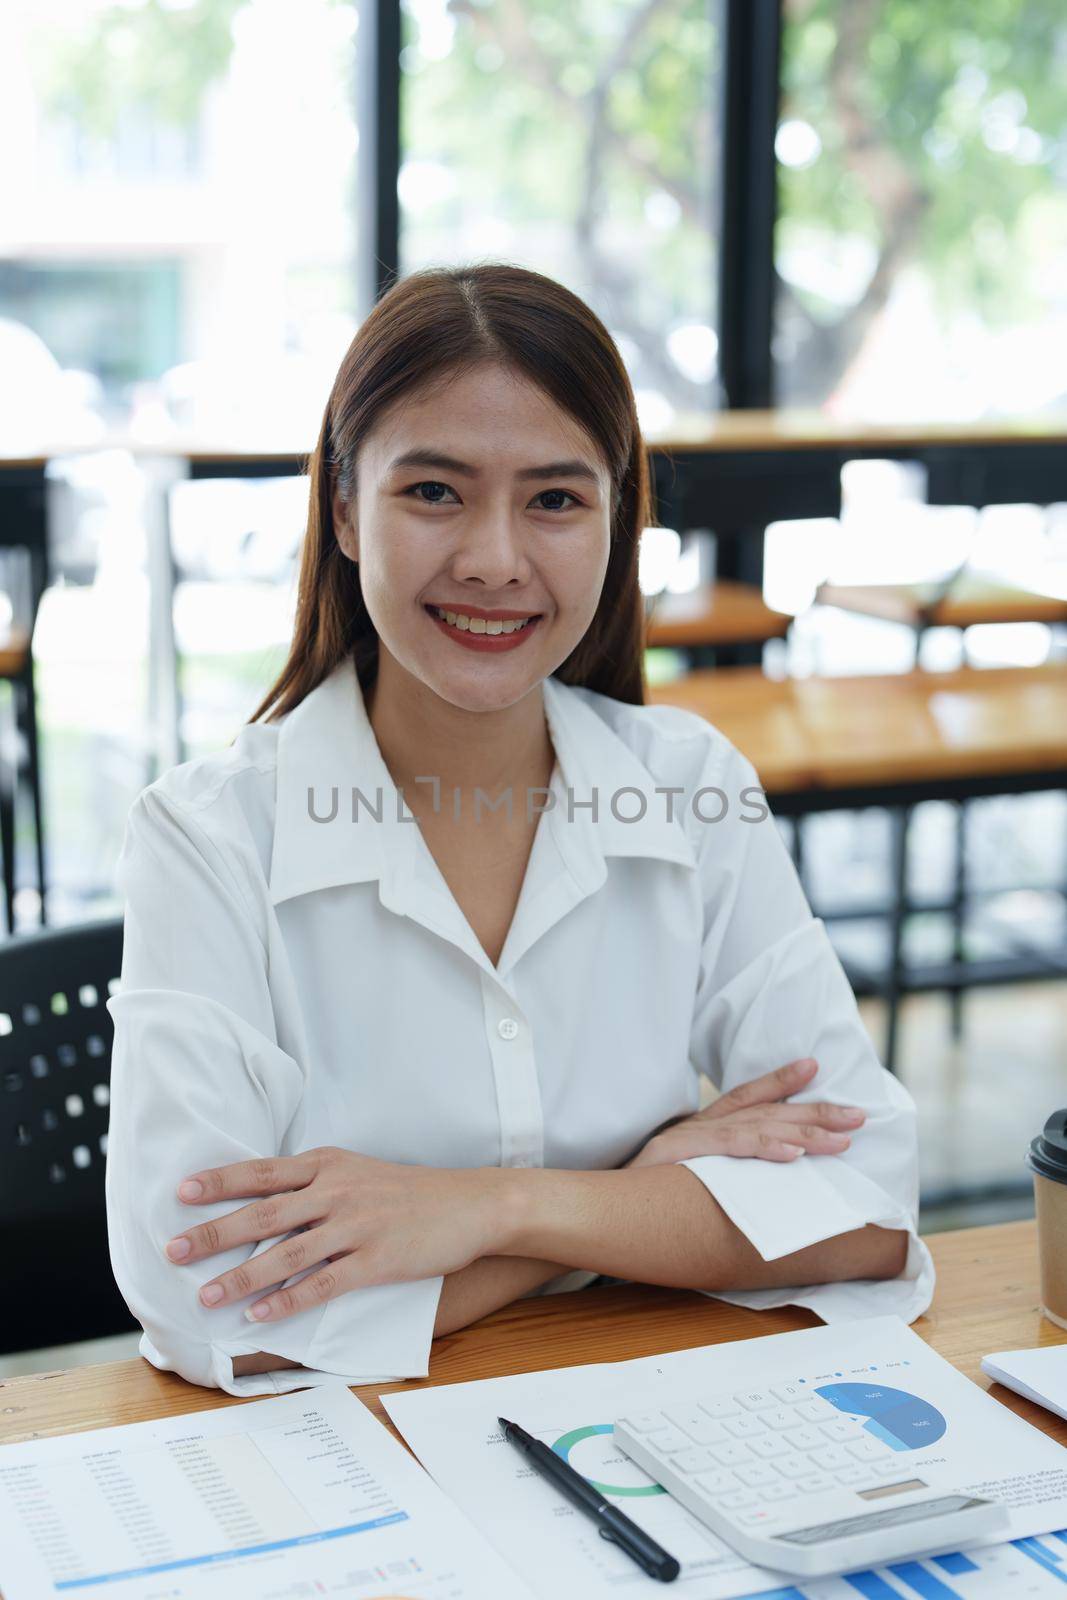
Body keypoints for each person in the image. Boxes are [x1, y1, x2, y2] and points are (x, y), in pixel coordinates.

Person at [105, 264, 932, 1398]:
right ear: (343, 508)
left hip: (636, 1409)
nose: (495, 558)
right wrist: (632, 1198)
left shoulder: (688, 784)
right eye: (435, 491)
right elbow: (211, 1305)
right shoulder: (208, 836)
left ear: (619, 522)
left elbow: (867, 1199)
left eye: (554, 499)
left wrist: (487, 1208)